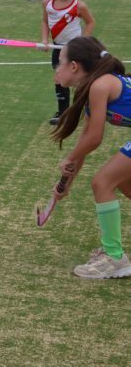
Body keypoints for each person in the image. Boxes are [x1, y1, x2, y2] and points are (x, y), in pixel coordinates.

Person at [49, 37, 131, 279]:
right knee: (124, 184)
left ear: (74, 66)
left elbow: (95, 138)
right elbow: (86, 141)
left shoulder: (100, 86)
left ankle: (114, 257)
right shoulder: (92, 90)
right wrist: (66, 184)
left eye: (60, 62)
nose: (57, 68)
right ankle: (115, 256)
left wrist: (69, 158)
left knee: (102, 182)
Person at [40, 0, 95, 125]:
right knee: (59, 79)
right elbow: (44, 21)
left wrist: (81, 43)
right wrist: (45, 40)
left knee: (80, 81)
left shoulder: (79, 6)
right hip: (58, 48)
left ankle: (89, 109)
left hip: (75, 50)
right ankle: (63, 112)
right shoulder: (47, 2)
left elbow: (90, 23)